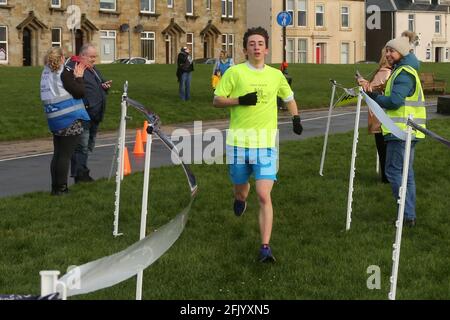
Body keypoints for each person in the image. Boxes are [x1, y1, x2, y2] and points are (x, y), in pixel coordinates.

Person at [213, 27, 303, 262]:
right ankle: (240, 198)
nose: (256, 47)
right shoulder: (234, 73)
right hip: (238, 143)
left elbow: (289, 98)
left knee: (264, 194)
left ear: (266, 48)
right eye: (251, 43)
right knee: (241, 190)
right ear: (245, 49)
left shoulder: (275, 75)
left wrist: (295, 118)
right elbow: (217, 100)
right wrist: (240, 100)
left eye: (260, 43)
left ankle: (265, 247)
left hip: (265, 144)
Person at [366, 36, 426, 227]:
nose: (388, 54)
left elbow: (395, 101)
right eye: (387, 51)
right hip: (406, 131)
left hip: (400, 132)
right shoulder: (403, 70)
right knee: (406, 174)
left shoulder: (404, 73)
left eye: (391, 51)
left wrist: (374, 97)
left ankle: (405, 214)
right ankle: (408, 215)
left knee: (393, 171)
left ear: (401, 51)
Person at [40, 47, 90, 195]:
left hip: (54, 118)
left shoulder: (46, 73)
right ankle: (62, 189)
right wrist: (79, 77)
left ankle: (55, 188)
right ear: (62, 58)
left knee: (58, 154)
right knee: (65, 156)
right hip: (69, 118)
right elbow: (79, 92)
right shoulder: (64, 73)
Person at [69, 44, 112, 183]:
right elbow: (75, 89)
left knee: (87, 145)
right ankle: (80, 175)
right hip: (83, 114)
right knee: (81, 146)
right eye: (91, 57)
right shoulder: (75, 68)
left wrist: (104, 86)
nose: (94, 59)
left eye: (95, 56)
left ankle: (83, 171)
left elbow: (97, 85)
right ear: (82, 56)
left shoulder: (92, 69)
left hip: (95, 113)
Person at [356, 47, 393, 183]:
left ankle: (386, 178)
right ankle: (388, 177)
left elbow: (371, 89)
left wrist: (361, 81)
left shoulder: (384, 71)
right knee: (386, 148)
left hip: (380, 115)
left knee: (383, 148)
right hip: (385, 114)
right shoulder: (391, 71)